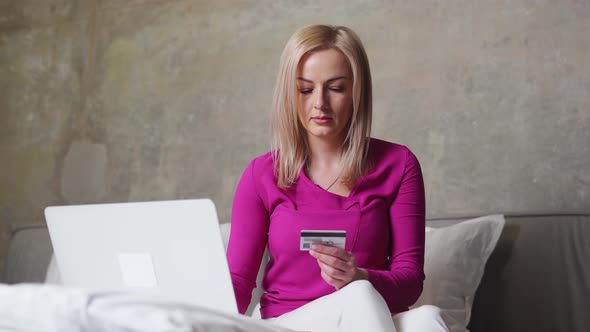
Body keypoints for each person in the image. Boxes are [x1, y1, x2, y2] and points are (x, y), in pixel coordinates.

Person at [227, 24, 448, 332]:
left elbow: (409, 282)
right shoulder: (262, 175)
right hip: (289, 324)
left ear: (357, 92)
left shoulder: (399, 165)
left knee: (427, 319)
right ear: (289, 95)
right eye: (305, 90)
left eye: (336, 88)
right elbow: (237, 282)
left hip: (369, 316)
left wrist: (360, 277)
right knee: (358, 296)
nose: (319, 103)